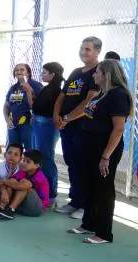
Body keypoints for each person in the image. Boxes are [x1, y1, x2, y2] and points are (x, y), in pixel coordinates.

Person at [60, 59, 131, 244]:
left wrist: (106, 156)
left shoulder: (118, 95)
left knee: (103, 189)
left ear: (106, 75)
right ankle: (88, 224)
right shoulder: (102, 94)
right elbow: (87, 112)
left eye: (97, 72)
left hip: (103, 149)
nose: (94, 75)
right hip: (88, 148)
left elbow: (118, 129)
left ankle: (104, 233)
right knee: (89, 185)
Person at [53, 36, 101, 218]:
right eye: (82, 48)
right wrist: (56, 115)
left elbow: (89, 101)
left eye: (88, 49)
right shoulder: (75, 72)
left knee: (83, 165)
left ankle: (86, 205)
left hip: (82, 127)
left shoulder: (98, 72)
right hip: (67, 127)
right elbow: (62, 96)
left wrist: (67, 117)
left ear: (97, 51)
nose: (83, 52)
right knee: (72, 163)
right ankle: (75, 201)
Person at [30, 62, 64, 200]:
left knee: (46, 158)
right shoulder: (48, 88)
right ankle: (42, 189)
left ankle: (51, 194)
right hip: (39, 123)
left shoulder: (56, 90)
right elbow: (36, 105)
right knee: (39, 156)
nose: (42, 75)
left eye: (44, 72)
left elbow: (45, 108)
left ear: (52, 74)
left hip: (47, 125)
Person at [4, 63, 43, 146]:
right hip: (13, 124)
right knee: (13, 149)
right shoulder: (13, 88)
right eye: (16, 70)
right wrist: (7, 119)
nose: (19, 71)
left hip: (28, 124)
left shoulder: (35, 85)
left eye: (22, 69)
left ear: (28, 73)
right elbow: (6, 106)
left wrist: (28, 90)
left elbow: (38, 106)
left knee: (30, 151)